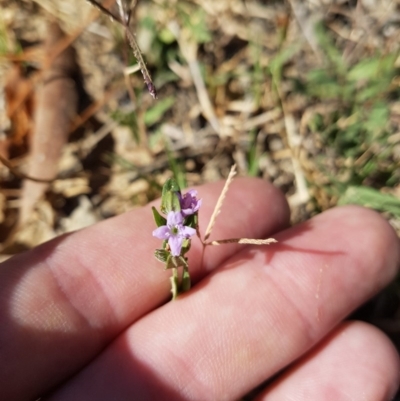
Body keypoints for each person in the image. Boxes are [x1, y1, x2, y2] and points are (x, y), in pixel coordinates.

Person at [1, 178, 399, 401]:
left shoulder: (179, 230)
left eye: (179, 221)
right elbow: (172, 239)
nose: (176, 223)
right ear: (171, 223)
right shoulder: (171, 233)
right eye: (174, 222)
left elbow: (178, 237)